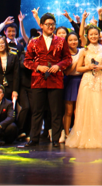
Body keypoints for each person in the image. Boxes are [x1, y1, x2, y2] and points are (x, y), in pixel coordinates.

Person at [20, 12, 73, 147]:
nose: (50, 27)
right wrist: (38, 67)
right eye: (48, 24)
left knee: (56, 112)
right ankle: (34, 139)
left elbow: (68, 59)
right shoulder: (34, 42)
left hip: (56, 80)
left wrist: (58, 66)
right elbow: (27, 61)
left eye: (53, 24)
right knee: (37, 111)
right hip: (38, 80)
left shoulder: (61, 41)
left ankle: (55, 139)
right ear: (41, 25)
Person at [66, 26, 102, 148]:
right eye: (91, 34)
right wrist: (88, 67)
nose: (93, 36)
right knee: (86, 108)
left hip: (101, 80)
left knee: (100, 108)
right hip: (87, 80)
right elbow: (78, 68)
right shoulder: (84, 50)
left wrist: (100, 67)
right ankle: (85, 136)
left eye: (95, 34)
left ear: (99, 35)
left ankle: (101, 137)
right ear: (87, 36)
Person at [61, 32, 83, 143]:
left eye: (75, 40)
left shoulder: (82, 51)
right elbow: (67, 72)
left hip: (81, 81)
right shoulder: (65, 54)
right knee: (68, 111)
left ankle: (78, 133)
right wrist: (77, 63)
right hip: (69, 81)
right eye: (70, 40)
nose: (73, 42)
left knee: (78, 111)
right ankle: (66, 133)